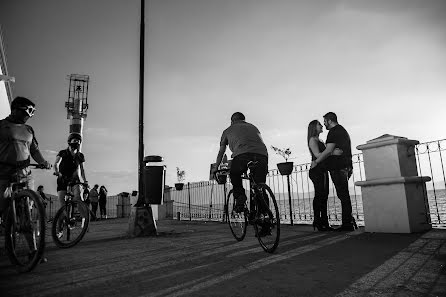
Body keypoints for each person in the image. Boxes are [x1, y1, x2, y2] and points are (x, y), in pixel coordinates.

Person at [0, 96, 52, 263]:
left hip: (25, 175)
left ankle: (33, 251)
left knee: (25, 215)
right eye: (28, 111)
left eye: (32, 111)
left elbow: (34, 150)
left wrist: (43, 162)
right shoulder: (1, 126)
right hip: (4, 174)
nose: (30, 115)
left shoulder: (29, 130)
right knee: (3, 209)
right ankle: (8, 238)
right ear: (15, 109)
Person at [211, 112, 268, 217]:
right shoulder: (254, 127)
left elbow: (221, 152)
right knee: (259, 185)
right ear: (244, 119)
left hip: (242, 155)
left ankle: (240, 196)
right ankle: (266, 217)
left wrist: (216, 167)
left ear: (232, 121)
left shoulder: (227, 131)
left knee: (235, 174)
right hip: (262, 155)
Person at [311, 112, 357, 231]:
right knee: (343, 195)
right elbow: (330, 150)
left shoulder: (334, 131)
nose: (324, 124)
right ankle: (348, 221)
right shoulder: (341, 130)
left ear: (330, 121)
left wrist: (317, 162)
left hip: (338, 167)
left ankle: (347, 224)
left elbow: (327, 151)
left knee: (342, 195)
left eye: (325, 121)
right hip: (344, 166)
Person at [307, 120, 342, 231]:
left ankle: (323, 222)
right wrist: (332, 152)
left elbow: (325, 154)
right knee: (320, 195)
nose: (322, 126)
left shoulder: (320, 140)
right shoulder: (312, 139)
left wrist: (332, 151)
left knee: (324, 195)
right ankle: (319, 222)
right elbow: (317, 155)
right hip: (316, 170)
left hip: (322, 170)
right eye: (319, 124)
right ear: (314, 127)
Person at [54, 133, 89, 236]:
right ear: (69, 141)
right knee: (63, 207)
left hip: (75, 180)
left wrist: (85, 180)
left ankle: (84, 220)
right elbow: (56, 163)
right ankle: (60, 230)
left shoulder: (80, 155)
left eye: (78, 141)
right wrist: (57, 172)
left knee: (78, 197)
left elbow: (82, 169)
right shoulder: (63, 153)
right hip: (62, 180)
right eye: (75, 141)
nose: (77, 143)